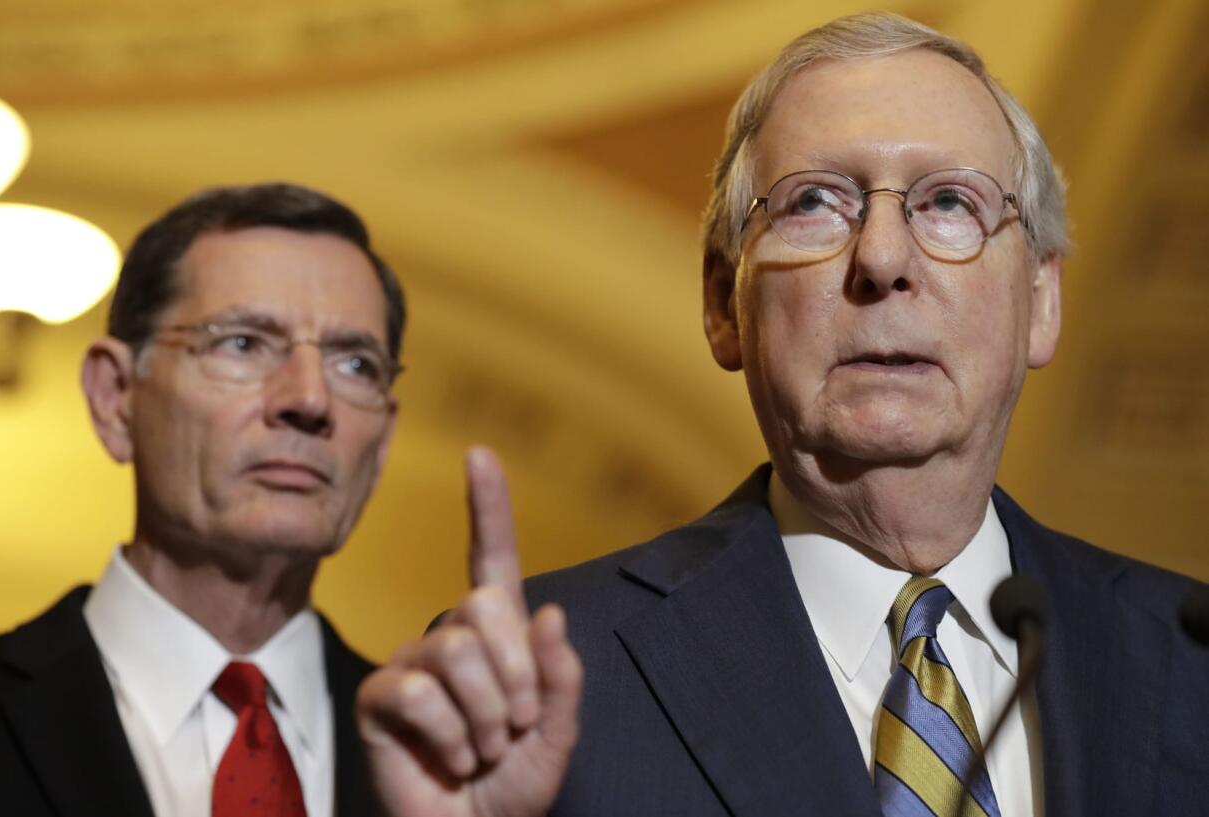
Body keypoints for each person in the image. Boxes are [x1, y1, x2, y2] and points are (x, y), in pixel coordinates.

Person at [356, 12, 1209, 817]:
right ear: (723, 304)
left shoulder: (1190, 661)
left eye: (950, 202)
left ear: (1042, 298)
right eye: (815, 202)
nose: (881, 258)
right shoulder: (557, 683)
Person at [0, 182, 408, 817]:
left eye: (355, 365)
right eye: (243, 343)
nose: (310, 400)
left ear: (381, 443)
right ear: (115, 396)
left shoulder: (434, 753)